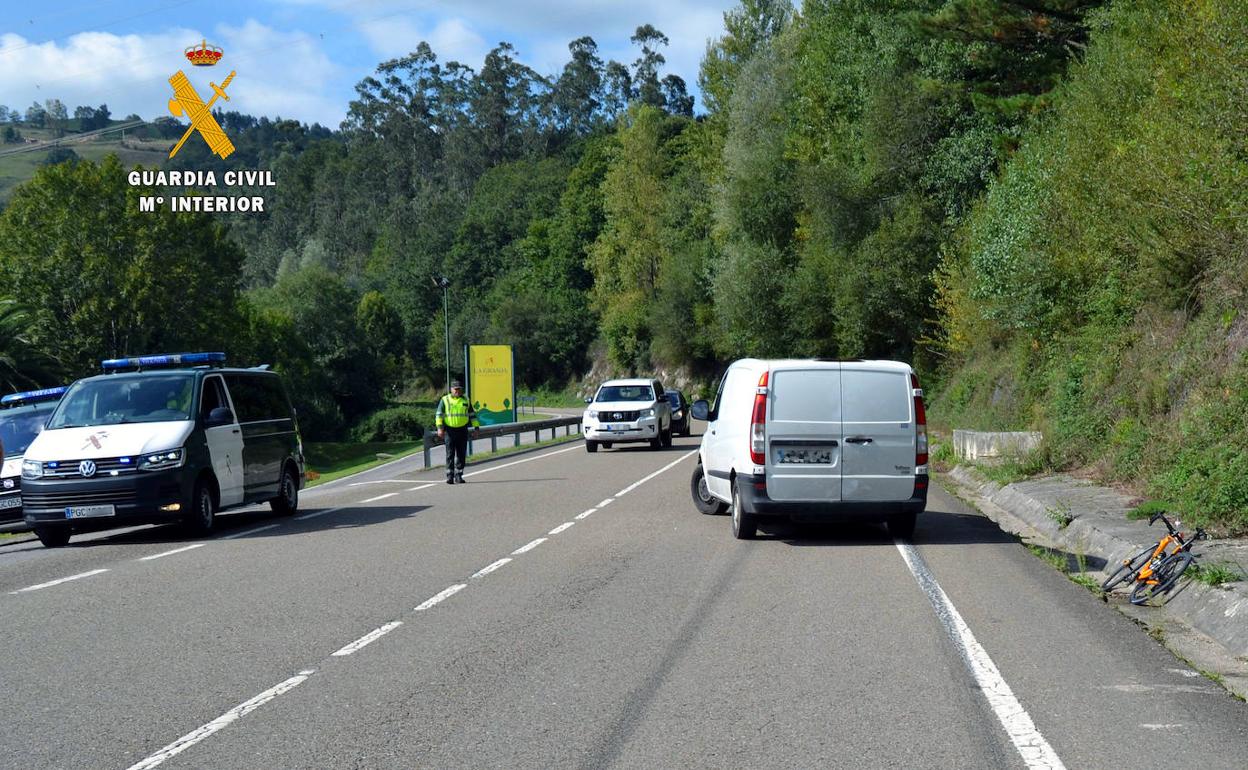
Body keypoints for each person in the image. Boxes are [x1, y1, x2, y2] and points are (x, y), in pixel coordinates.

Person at [435, 380, 479, 484]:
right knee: (450, 453)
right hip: (449, 430)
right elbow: (439, 415)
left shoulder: (466, 400)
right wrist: (440, 428)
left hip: (462, 430)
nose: (457, 391)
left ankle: (459, 475)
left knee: (461, 454)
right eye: (455, 389)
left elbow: (472, 415)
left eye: (459, 389)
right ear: (451, 389)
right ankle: (449, 476)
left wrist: (476, 428)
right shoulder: (445, 400)